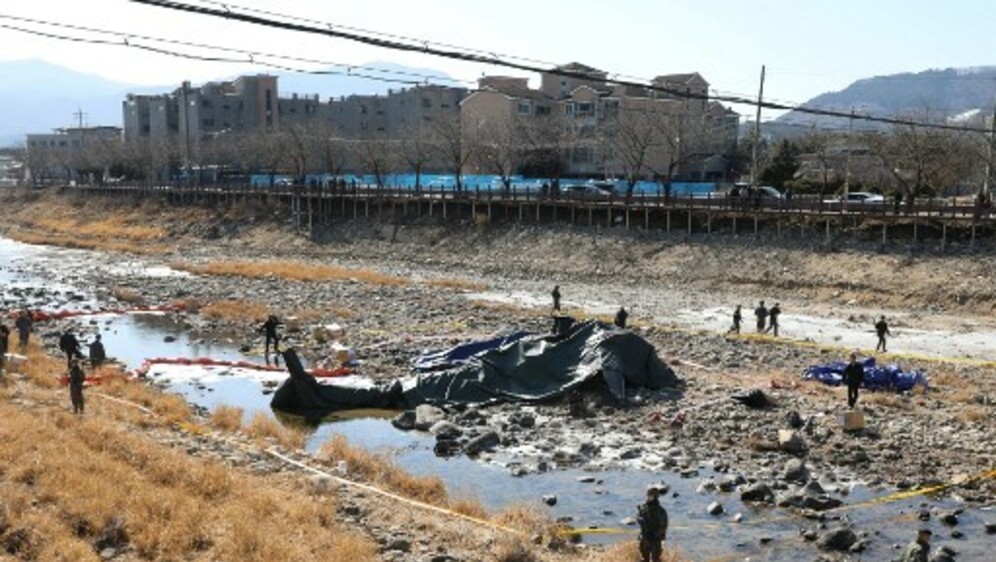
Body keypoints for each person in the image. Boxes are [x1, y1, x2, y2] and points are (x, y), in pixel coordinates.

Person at [637, 485, 669, 562]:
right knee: (644, 558)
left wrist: (656, 535)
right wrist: (641, 520)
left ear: (655, 497)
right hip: (644, 537)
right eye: (648, 495)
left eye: (650, 495)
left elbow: (663, 526)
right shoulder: (643, 508)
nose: (648, 497)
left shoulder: (660, 511)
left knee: (655, 559)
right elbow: (638, 517)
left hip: (655, 539)